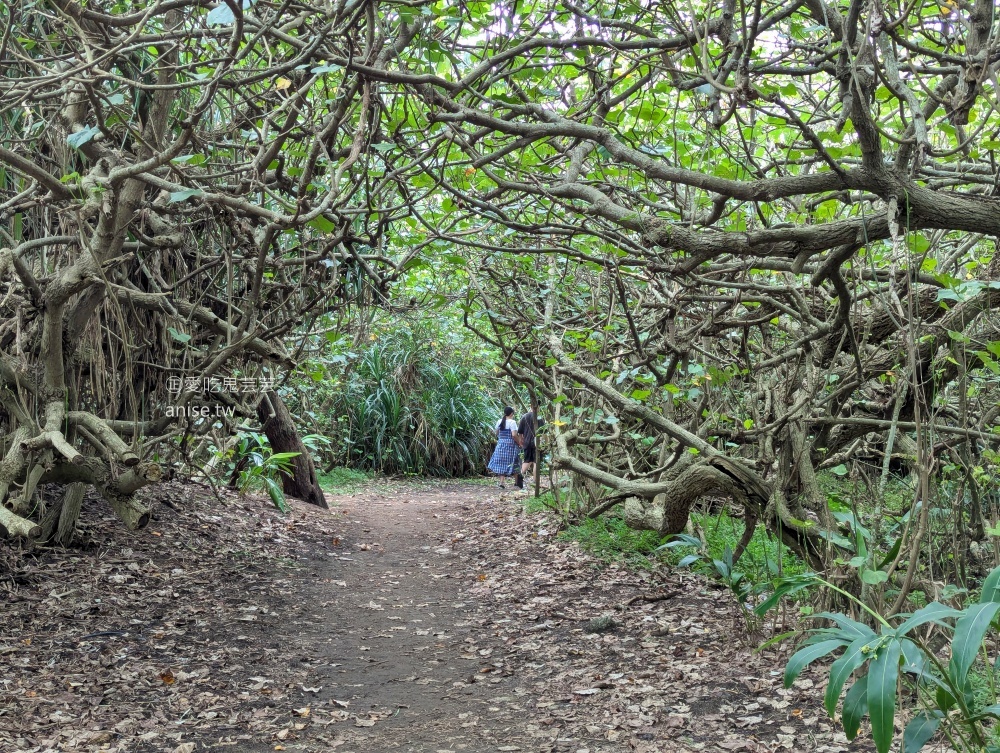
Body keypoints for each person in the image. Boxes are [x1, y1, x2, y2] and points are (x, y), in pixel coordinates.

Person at [486, 406, 521, 488]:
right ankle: (516, 483)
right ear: (512, 413)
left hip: (501, 444)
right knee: (514, 462)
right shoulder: (512, 422)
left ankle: (501, 483)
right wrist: (519, 443)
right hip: (510, 445)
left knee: (501, 463)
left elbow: (497, 432)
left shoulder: (499, 421)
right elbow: (514, 435)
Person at [515, 408, 543, 490]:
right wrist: (545, 442)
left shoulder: (524, 417)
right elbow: (543, 432)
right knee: (536, 462)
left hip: (527, 443)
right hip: (537, 443)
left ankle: (520, 474)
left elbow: (520, 432)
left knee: (527, 460)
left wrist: (521, 441)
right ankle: (535, 481)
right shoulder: (539, 417)